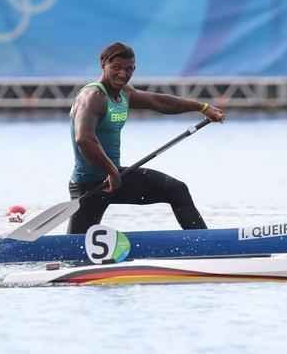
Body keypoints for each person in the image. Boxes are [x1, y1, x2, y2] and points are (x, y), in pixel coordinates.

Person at [67, 41, 225, 234]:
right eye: (116, 67)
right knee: (75, 248)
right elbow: (84, 138)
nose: (123, 74)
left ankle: (203, 244)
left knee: (176, 190)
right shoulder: (93, 96)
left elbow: (159, 102)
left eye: (129, 69)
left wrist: (202, 107)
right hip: (90, 185)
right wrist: (112, 171)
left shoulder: (124, 94)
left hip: (115, 177)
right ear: (103, 64)